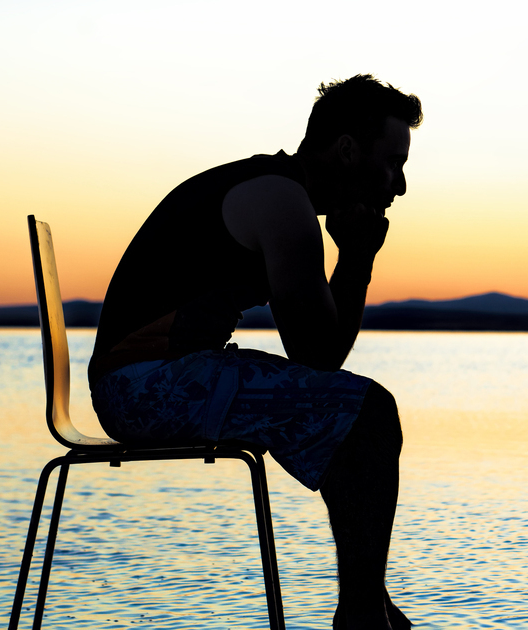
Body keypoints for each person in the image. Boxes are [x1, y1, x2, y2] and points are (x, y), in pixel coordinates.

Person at [88, 74, 420, 630]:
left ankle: (364, 604)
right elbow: (318, 355)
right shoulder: (281, 201)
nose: (401, 185)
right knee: (368, 412)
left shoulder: (278, 190)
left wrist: (355, 256)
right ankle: (363, 613)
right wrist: (358, 258)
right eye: (392, 162)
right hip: (141, 388)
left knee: (354, 414)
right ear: (346, 151)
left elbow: (322, 360)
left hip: (154, 380)